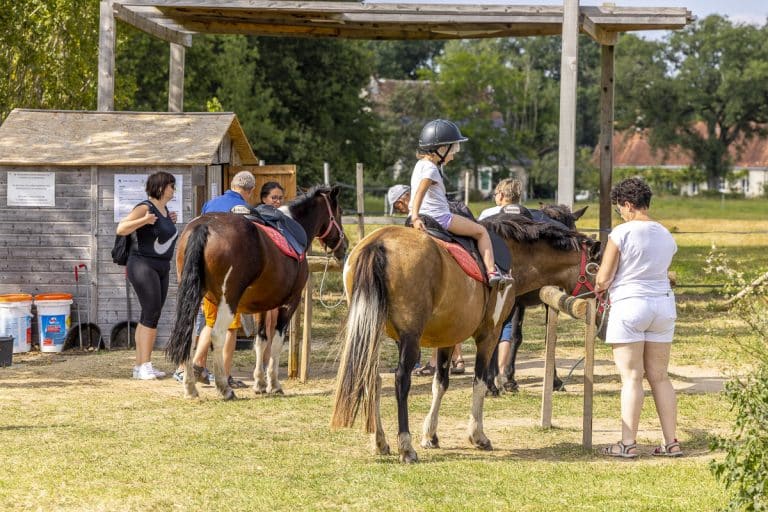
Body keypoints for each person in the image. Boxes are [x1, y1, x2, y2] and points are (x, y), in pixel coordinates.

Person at [595, 177, 682, 458]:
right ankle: (672, 442)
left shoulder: (621, 234)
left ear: (629, 205)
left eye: (621, 207)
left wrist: (598, 285)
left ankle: (628, 443)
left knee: (632, 378)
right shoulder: (666, 234)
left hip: (630, 306)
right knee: (660, 377)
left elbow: (604, 278)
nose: (621, 212)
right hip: (663, 307)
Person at [175, 171, 257, 389]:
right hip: (228, 273)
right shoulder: (244, 210)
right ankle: (224, 375)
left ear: (231, 185)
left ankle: (196, 363)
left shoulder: (210, 204)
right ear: (250, 191)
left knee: (211, 321)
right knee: (230, 326)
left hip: (203, 270)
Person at [409, 119, 511, 286]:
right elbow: (421, 191)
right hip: (439, 218)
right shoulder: (431, 169)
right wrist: (415, 217)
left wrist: (413, 214)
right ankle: (492, 271)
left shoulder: (420, 164)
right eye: (452, 148)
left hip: (422, 214)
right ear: (441, 149)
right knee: (481, 232)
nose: (454, 153)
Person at [116, 171, 178, 380]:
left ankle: (142, 365)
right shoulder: (145, 207)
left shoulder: (165, 209)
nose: (173, 189)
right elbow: (122, 228)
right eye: (171, 185)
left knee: (152, 314)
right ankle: (143, 365)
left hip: (162, 266)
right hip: (142, 264)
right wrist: (143, 221)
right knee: (150, 312)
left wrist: (168, 221)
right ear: (160, 187)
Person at [478, 178, 530, 384]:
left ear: (500, 195)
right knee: (509, 325)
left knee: (492, 323)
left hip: (494, 274)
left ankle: (488, 372)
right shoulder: (528, 215)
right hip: (521, 278)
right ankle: (502, 371)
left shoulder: (487, 215)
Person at [254, 181, 285, 367]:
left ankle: (268, 360)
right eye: (274, 198)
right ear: (264, 198)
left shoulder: (280, 218)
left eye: (280, 198)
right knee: (264, 321)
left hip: (277, 277)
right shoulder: (258, 217)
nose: (277, 201)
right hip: (261, 276)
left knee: (273, 320)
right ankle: (261, 359)